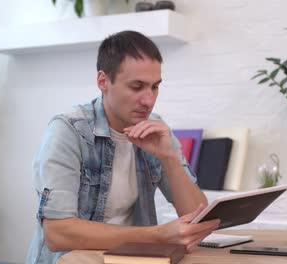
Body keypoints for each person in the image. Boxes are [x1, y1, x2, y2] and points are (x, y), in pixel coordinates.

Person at [26, 30, 220, 264]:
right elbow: (57, 233)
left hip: (133, 258)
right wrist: (157, 236)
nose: (148, 100)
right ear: (103, 81)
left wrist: (169, 158)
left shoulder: (155, 129)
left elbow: (198, 217)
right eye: (137, 87)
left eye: (155, 87)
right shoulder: (69, 131)